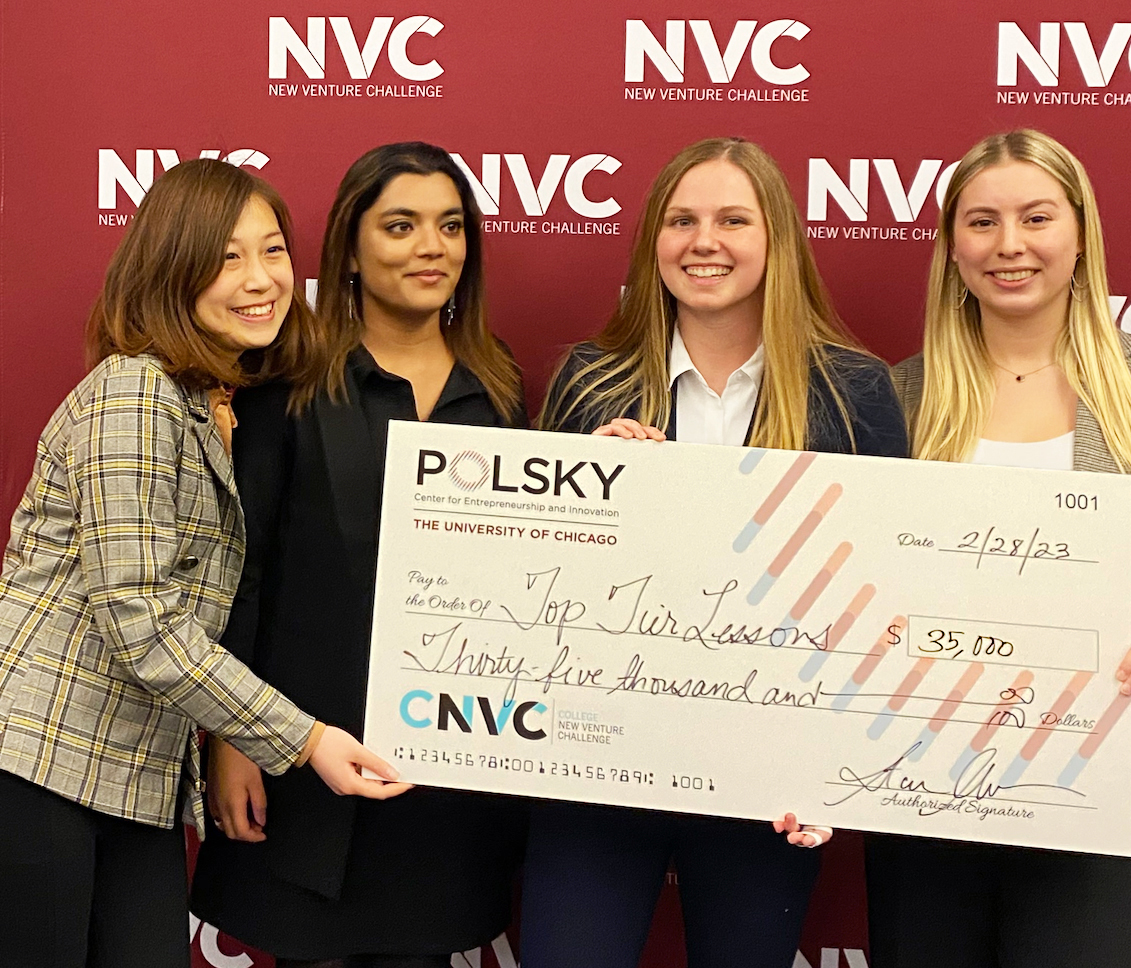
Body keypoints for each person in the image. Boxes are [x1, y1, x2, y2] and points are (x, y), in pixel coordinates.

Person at [0, 159, 409, 968]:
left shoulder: (214, 400)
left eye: (273, 251)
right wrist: (305, 741)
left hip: (131, 780)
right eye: (226, 258)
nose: (261, 280)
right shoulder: (134, 393)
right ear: (170, 269)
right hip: (39, 767)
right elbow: (145, 625)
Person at [873, 128, 1131, 968]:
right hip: (919, 767)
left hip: (1108, 755)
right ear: (951, 246)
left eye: (1036, 217)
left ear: (1080, 233)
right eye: (981, 222)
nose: (1009, 245)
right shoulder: (896, 396)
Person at [525, 137, 909, 968]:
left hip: (767, 782)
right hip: (598, 763)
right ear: (651, 242)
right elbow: (532, 587)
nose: (706, 242)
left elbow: (878, 603)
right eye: (683, 220)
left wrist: (837, 772)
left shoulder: (854, 391)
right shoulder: (589, 382)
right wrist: (594, 484)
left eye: (735, 219)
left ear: (777, 240)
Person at [190, 142, 528, 968]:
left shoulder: (503, 391)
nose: (431, 248)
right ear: (350, 247)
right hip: (304, 767)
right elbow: (245, 573)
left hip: (447, 780)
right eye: (401, 226)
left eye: (450, 227)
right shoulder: (286, 384)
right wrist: (232, 741)